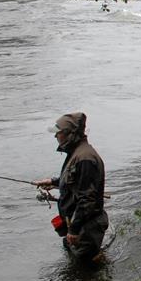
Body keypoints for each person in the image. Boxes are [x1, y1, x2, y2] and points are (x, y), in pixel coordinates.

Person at [33, 112, 109, 262]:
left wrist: (74, 230)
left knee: (85, 269)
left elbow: (87, 199)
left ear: (69, 133)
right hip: (78, 224)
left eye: (58, 133)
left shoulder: (85, 158)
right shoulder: (77, 153)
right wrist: (53, 182)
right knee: (77, 265)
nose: (56, 137)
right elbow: (75, 179)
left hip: (86, 228)